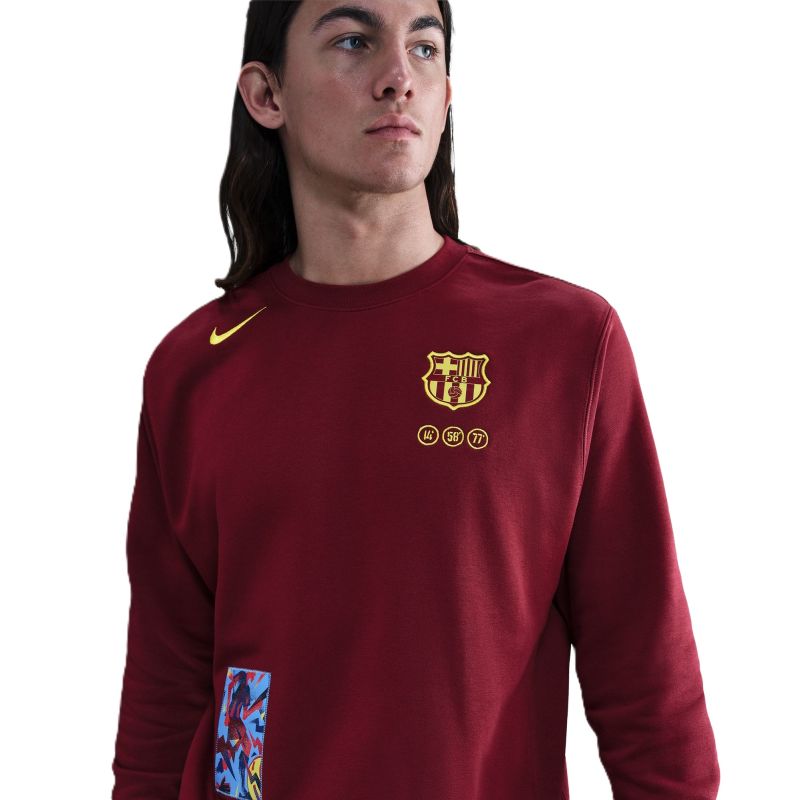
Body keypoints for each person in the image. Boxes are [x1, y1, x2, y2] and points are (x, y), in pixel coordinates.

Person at [110, 2, 721, 798]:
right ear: (266, 94)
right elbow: (165, 693)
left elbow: (647, 681)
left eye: (425, 48)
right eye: (353, 41)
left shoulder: (564, 344)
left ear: (446, 94)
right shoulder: (195, 367)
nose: (398, 77)